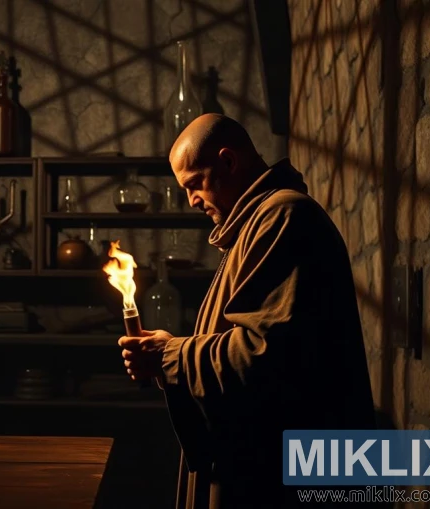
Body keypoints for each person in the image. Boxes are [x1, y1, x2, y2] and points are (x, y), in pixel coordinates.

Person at [119, 114, 377, 508]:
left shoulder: (283, 217)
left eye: (194, 184)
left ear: (228, 161)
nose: (191, 201)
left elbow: (266, 356)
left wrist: (169, 356)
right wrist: (168, 353)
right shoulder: (252, 227)